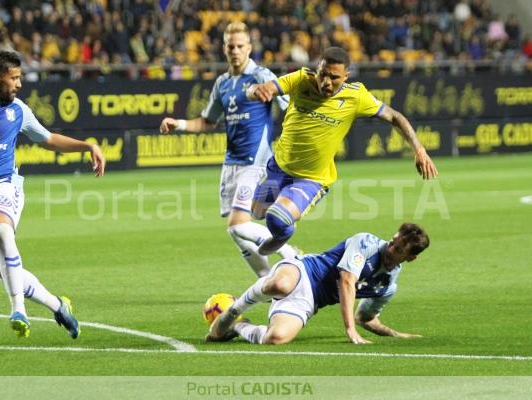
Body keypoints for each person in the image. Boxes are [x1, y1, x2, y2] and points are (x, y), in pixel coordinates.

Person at [0, 51, 105, 339]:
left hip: (4, 184)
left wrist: (87, 146)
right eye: (15, 78)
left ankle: (18, 310)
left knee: (2, 231)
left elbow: (48, 139)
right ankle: (58, 305)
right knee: (7, 271)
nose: (20, 84)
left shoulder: (18, 109)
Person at [245, 47, 438, 255]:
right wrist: (257, 90)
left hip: (311, 178)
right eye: (323, 74)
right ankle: (286, 216)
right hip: (279, 166)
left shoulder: (355, 97)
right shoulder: (301, 79)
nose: (326, 82)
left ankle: (285, 232)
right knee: (256, 213)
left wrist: (419, 149)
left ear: (346, 76)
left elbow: (394, 117)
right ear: (317, 69)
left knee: (277, 219)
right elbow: (262, 89)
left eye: (334, 77)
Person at [160, 22, 297, 277]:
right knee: (236, 232)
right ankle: (267, 283)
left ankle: (293, 254)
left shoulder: (262, 76)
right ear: (224, 48)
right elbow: (206, 122)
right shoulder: (222, 84)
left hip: (255, 164)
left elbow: (290, 105)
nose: (235, 51)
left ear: (249, 48)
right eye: (230, 46)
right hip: (231, 164)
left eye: (240, 46)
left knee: (237, 226)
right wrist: (177, 123)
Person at [206, 222, 429, 345]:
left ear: (410, 258)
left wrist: (394, 334)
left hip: (310, 301)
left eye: (398, 250)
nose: (390, 249)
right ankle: (235, 308)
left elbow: (366, 318)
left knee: (275, 338)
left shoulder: (388, 286)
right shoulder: (367, 243)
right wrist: (350, 329)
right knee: (280, 285)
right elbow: (346, 280)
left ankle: (237, 325)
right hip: (304, 270)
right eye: (392, 242)